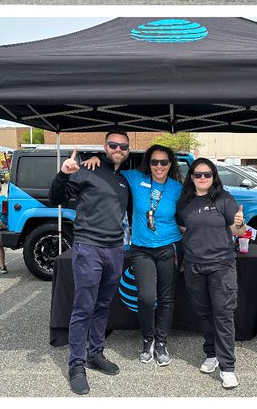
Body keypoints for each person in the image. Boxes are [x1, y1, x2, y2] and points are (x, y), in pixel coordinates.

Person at [81, 144, 183, 366]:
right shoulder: (135, 178)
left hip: (169, 247)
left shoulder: (177, 188)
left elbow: (187, 214)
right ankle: (148, 339)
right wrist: (96, 158)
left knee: (166, 298)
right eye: (154, 161)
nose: (159, 166)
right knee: (146, 298)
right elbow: (113, 167)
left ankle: (162, 342)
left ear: (170, 164)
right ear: (149, 163)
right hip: (141, 249)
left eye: (164, 162)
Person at [50, 131, 134, 395]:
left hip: (115, 249)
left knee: (103, 304)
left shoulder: (123, 180)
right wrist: (63, 174)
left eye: (123, 146)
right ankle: (76, 364)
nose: (118, 149)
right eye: (113, 145)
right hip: (89, 247)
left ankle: (94, 353)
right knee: (83, 306)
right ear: (104, 146)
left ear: (128, 150)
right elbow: (57, 198)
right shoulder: (86, 170)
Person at [177, 158, 245, 389]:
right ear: (192, 177)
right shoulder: (184, 203)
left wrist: (239, 223)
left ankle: (227, 367)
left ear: (214, 176)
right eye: (198, 175)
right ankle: (211, 354)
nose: (203, 178)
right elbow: (185, 229)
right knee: (204, 313)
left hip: (221, 265)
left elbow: (238, 230)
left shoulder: (224, 199)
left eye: (207, 174)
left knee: (223, 314)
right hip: (194, 266)